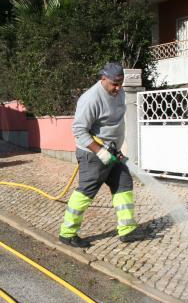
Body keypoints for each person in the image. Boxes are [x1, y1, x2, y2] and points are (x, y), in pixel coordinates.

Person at [58, 62, 143, 248]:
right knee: (87, 192)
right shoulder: (90, 99)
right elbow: (79, 131)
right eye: (114, 83)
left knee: (124, 184)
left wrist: (115, 149)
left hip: (113, 152)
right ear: (103, 78)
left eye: (121, 82)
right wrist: (100, 151)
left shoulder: (119, 92)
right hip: (92, 155)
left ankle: (127, 230)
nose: (118, 87)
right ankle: (67, 233)